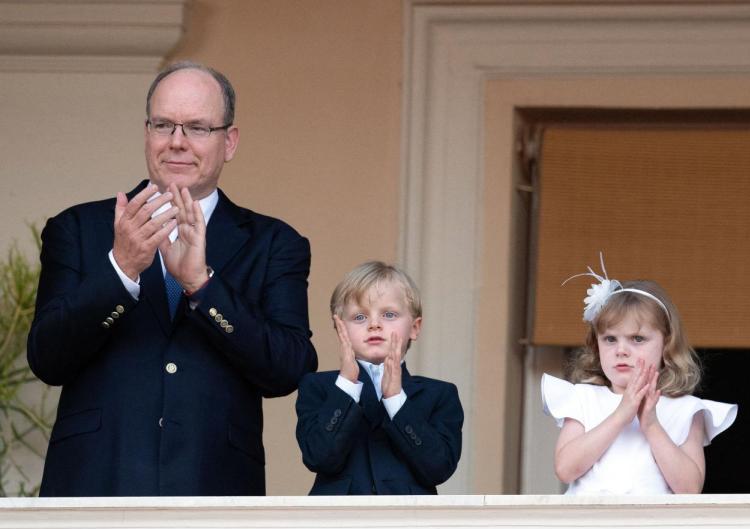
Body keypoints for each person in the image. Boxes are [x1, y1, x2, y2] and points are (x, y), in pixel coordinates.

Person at [27, 61, 318, 496]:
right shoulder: (78, 228)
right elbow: (46, 358)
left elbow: (289, 369)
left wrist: (204, 286)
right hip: (95, 485)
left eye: (197, 128)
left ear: (229, 141)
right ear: (147, 133)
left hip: (214, 489)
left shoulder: (275, 243)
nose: (177, 142)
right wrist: (120, 270)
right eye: (164, 125)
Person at [542, 259, 736, 494]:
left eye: (637, 339)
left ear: (666, 345)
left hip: (653, 528)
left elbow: (689, 488)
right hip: (590, 527)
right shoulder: (583, 398)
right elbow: (565, 469)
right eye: (610, 339)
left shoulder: (685, 409)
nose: (621, 350)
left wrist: (651, 425)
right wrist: (621, 415)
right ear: (596, 346)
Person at [295, 261, 463, 495]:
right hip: (338, 524)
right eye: (360, 317)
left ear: (415, 328)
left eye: (389, 314)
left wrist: (396, 400)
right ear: (339, 327)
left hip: (409, 525)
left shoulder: (440, 395)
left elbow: (438, 468)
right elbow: (319, 457)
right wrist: (347, 386)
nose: (374, 324)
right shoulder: (318, 387)